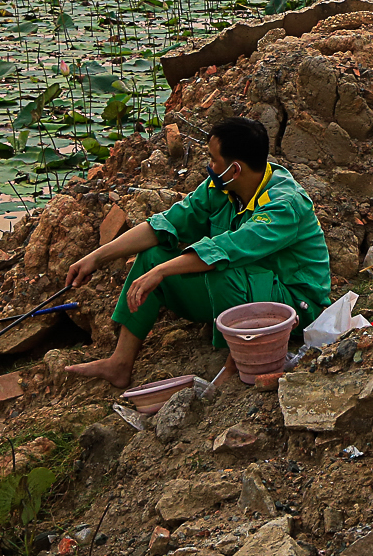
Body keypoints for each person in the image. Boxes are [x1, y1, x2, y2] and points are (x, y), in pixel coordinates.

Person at [63, 116, 330, 389]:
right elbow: (167, 223)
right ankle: (119, 363)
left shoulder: (284, 205)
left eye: (214, 160)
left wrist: (162, 271)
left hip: (296, 306)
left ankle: (237, 362)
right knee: (152, 256)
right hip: (250, 294)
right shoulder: (222, 187)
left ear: (235, 169)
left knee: (223, 272)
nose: (210, 167)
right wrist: (95, 257)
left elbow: (226, 250)